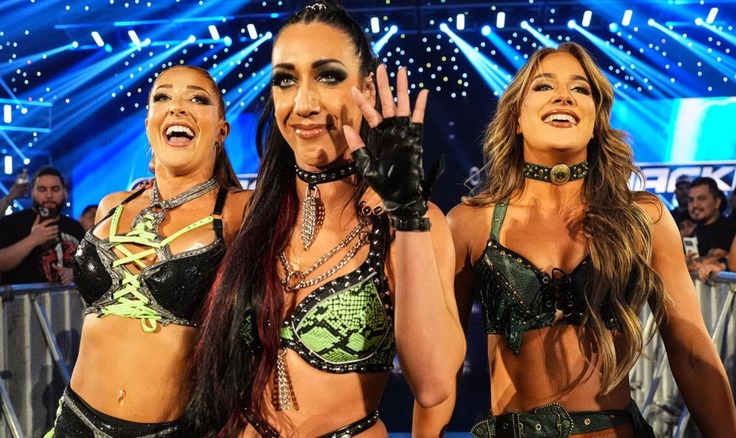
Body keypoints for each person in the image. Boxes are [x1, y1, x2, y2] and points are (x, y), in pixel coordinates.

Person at [426, 43, 736, 437]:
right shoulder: (470, 223)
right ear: (517, 117)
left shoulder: (644, 218)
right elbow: (438, 369)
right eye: (543, 87)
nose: (563, 96)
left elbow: (692, 356)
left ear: (595, 119)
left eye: (581, 89)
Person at [186, 1, 465, 436]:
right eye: (286, 80)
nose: (303, 102)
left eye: (328, 75)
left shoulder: (410, 223)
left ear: (368, 90)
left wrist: (407, 212)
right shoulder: (247, 214)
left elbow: (432, 386)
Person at [45, 65, 250, 437]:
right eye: (163, 97)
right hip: (73, 421)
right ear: (149, 122)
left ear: (222, 130)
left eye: (197, 98)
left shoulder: (238, 210)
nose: (177, 108)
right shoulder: (113, 206)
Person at [0, 167, 85, 285]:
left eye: (55, 189)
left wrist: (73, 273)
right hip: (22, 301)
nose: (49, 195)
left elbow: (90, 267)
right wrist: (32, 240)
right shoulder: (12, 223)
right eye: (42, 189)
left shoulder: (75, 227)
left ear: (65, 193)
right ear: (32, 193)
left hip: (69, 301)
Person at [685, 177, 736, 281]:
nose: (695, 205)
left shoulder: (727, 228)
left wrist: (680, 262)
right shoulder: (695, 231)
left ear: (717, 202)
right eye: (691, 200)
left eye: (701, 198)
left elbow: (707, 261)